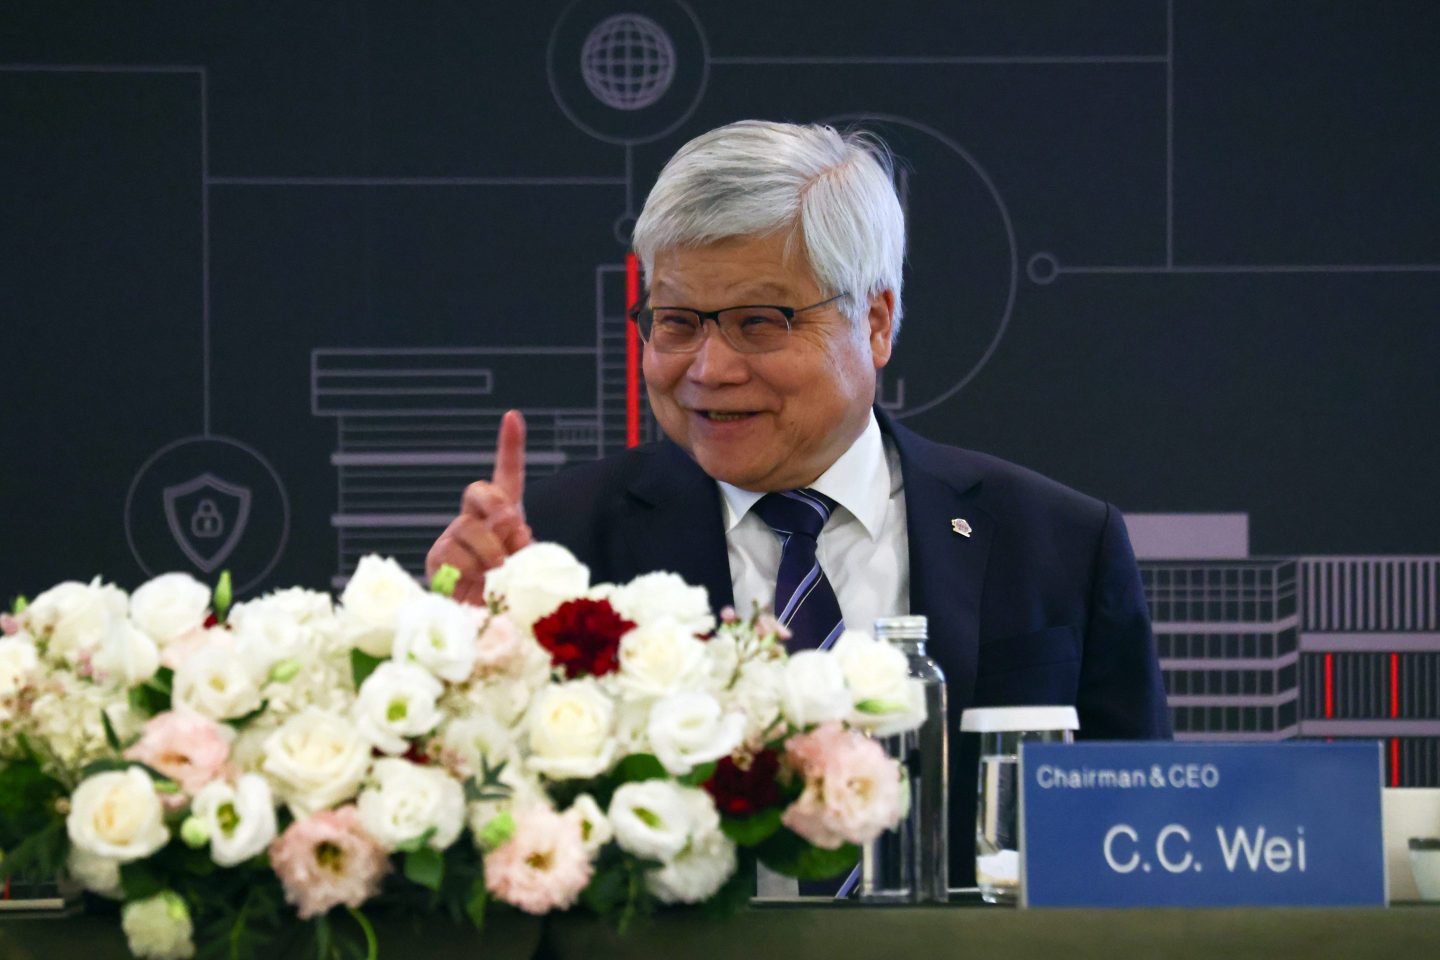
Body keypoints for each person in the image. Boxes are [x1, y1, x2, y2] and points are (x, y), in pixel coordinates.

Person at [426, 120, 1171, 886]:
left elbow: (1143, 857)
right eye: (678, 323)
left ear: (875, 322)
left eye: (760, 322)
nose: (709, 369)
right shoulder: (558, 550)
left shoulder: (1057, 543)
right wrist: (463, 657)